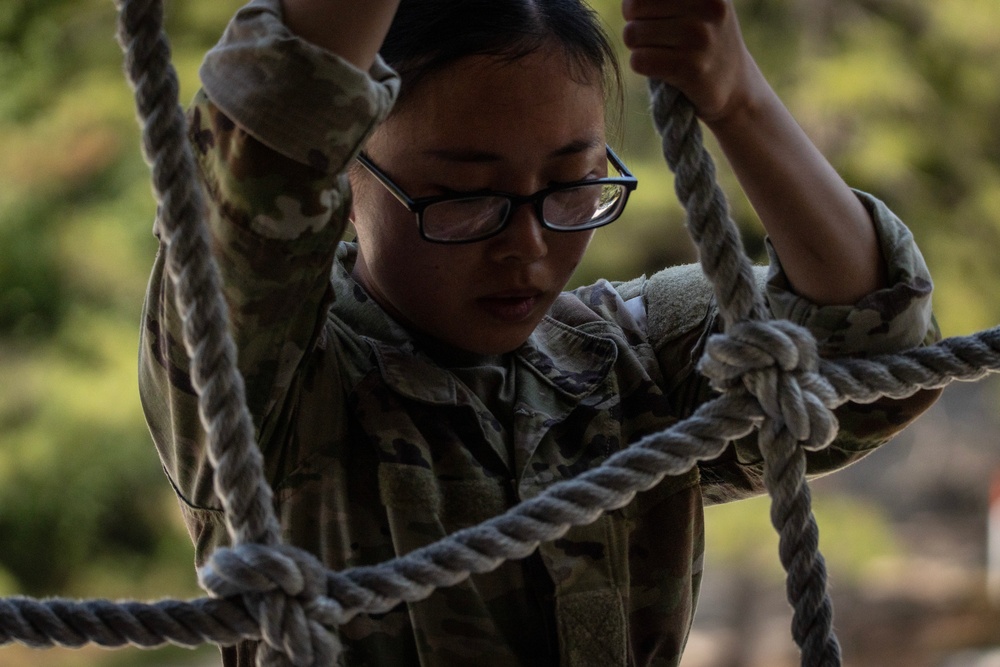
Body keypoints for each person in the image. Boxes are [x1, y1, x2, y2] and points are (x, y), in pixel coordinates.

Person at [138, 0, 940, 664]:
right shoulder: (278, 381)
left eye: (570, 185)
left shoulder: (631, 361)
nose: (526, 246)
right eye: (461, 194)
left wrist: (739, 101)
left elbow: (872, 351)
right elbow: (264, 155)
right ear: (347, 172)